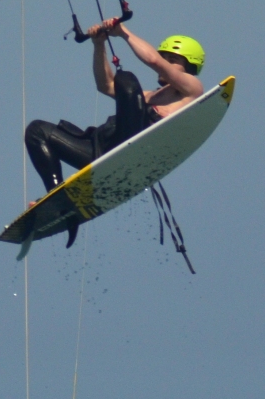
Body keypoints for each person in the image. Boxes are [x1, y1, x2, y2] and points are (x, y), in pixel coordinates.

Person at [23, 21, 205, 244]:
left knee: (127, 81)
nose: (166, 62)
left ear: (190, 67)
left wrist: (123, 32)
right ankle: (58, 200)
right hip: (102, 151)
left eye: (173, 60)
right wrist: (99, 44)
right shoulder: (150, 96)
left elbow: (152, 60)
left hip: (135, 149)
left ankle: (119, 155)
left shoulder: (192, 89)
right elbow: (106, 85)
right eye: (164, 57)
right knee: (37, 131)